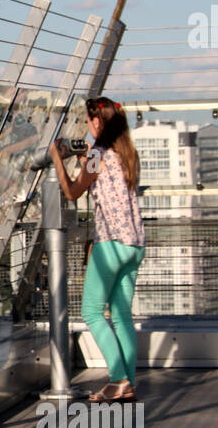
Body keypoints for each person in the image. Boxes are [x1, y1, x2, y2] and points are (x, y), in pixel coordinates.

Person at [48, 96, 145, 402]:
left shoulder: (98, 154)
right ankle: (126, 382)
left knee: (90, 312)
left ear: (98, 122)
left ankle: (117, 379)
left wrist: (56, 158)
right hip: (135, 244)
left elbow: (74, 192)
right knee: (121, 315)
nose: (87, 125)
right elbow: (103, 183)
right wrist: (84, 162)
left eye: (89, 120)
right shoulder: (128, 154)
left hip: (111, 245)